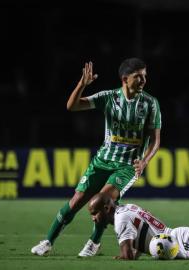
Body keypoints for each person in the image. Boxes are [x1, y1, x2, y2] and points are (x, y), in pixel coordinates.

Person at [31, 58, 162, 257]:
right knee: (75, 202)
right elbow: (72, 106)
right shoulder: (108, 97)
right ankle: (48, 241)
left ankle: (94, 241)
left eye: (145, 75)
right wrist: (82, 85)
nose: (143, 80)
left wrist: (144, 161)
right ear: (125, 79)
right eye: (138, 76)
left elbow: (155, 140)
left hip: (127, 166)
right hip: (102, 161)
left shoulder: (150, 103)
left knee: (103, 201)